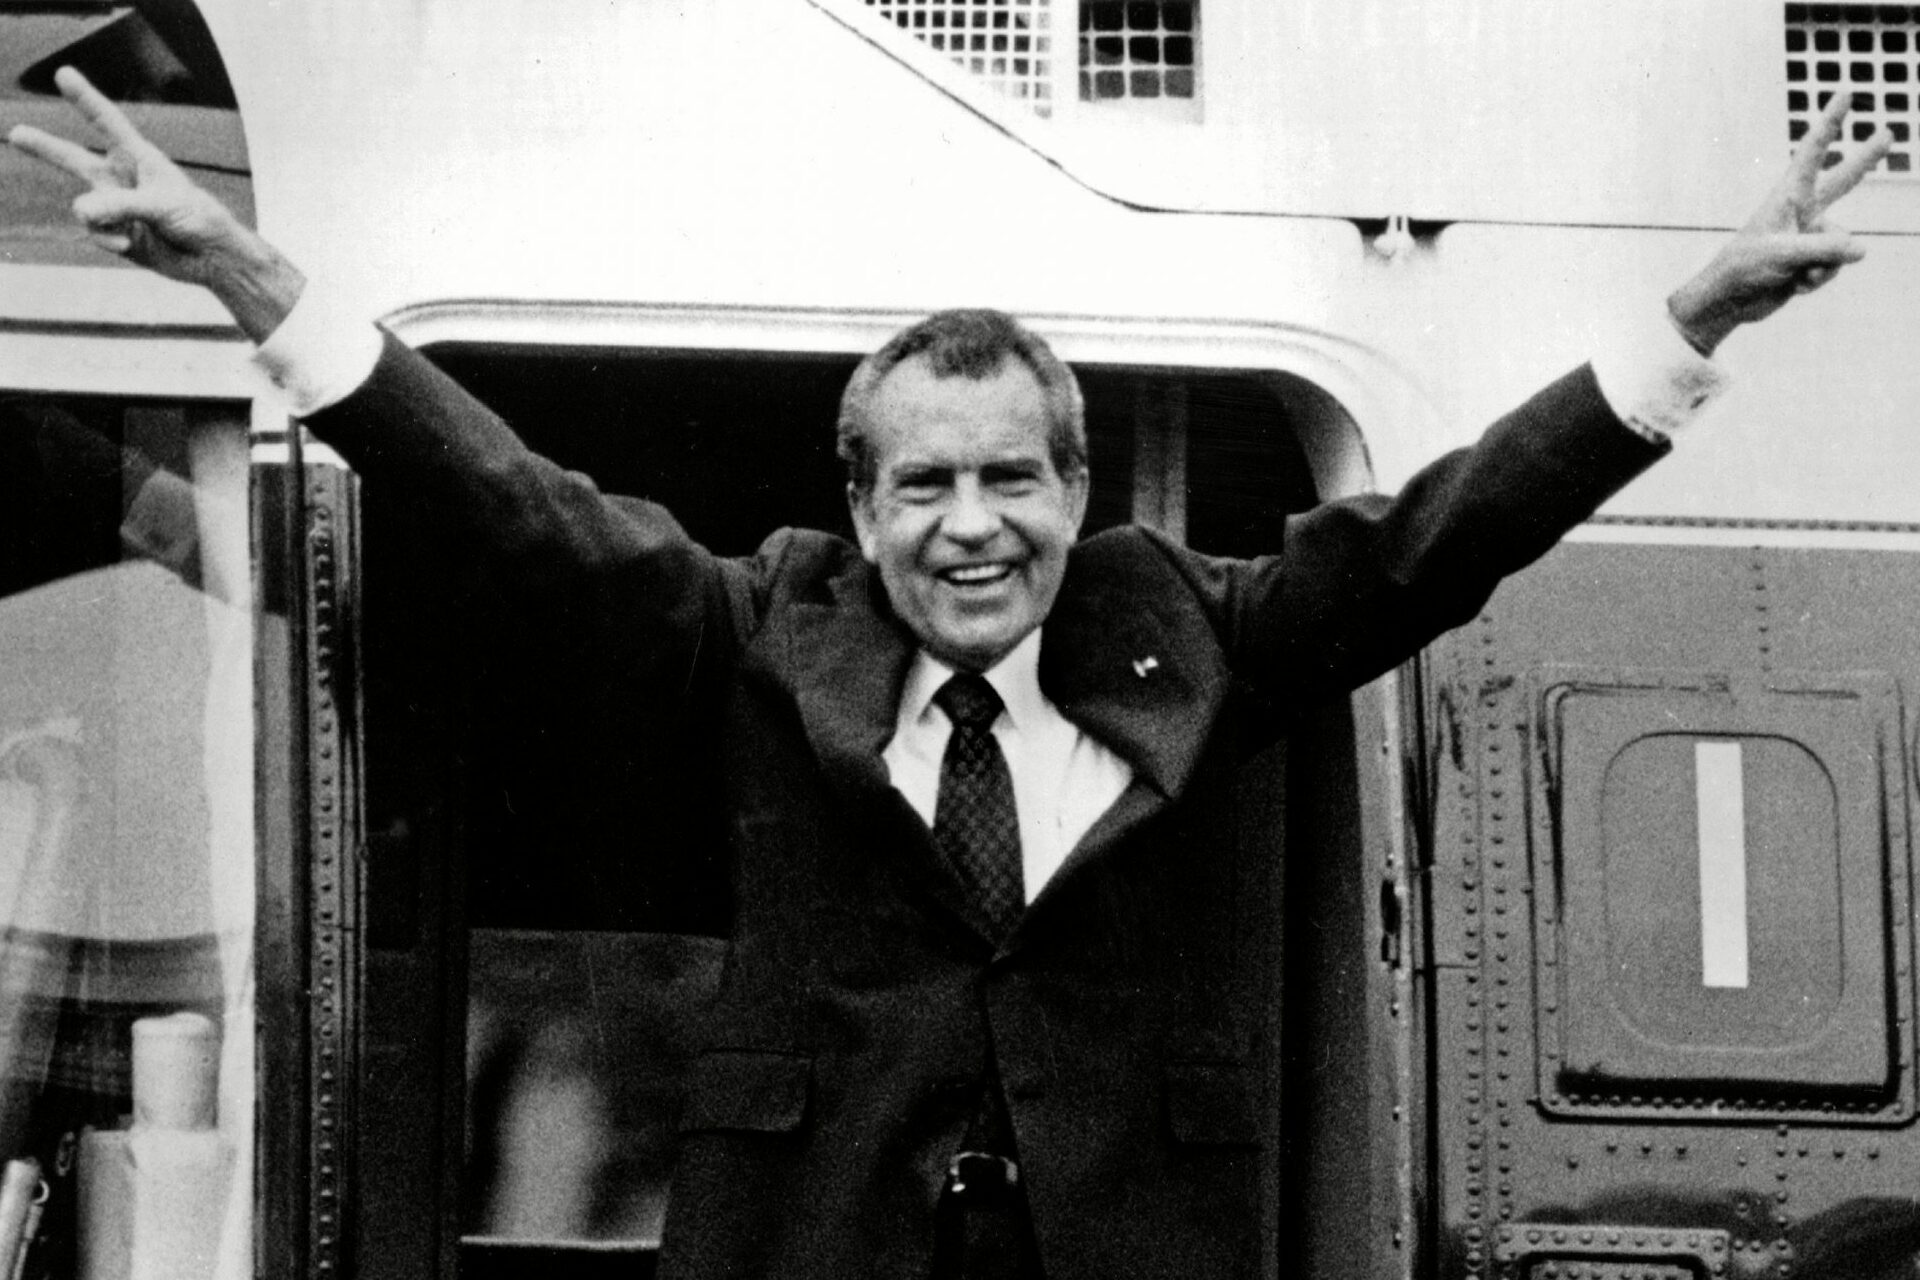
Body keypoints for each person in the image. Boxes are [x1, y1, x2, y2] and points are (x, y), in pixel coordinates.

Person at [9, 67, 1889, 1280]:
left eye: (1013, 478)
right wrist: (261, 290)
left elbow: (1443, 535)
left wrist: (1688, 325)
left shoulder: (1204, 627)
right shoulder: (767, 625)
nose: (970, 526)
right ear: (860, 501)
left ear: (1077, 493)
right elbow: (517, 514)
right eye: (926, 484)